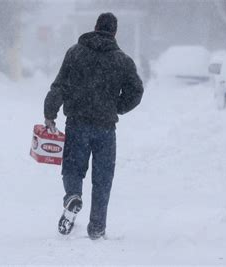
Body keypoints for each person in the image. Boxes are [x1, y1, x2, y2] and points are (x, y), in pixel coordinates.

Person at [43, 12, 144, 239]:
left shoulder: (75, 53)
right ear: (114, 32)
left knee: (72, 168)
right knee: (103, 177)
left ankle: (72, 196)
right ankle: (97, 226)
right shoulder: (122, 60)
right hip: (106, 128)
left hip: (77, 123)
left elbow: (59, 86)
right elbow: (137, 91)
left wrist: (50, 113)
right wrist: (118, 106)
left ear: (96, 26)